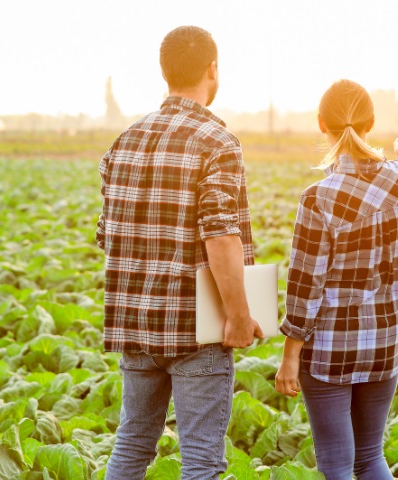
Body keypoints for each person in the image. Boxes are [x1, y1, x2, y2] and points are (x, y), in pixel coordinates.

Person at [97, 25, 263, 480]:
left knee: (132, 444)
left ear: (164, 72)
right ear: (212, 69)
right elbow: (221, 235)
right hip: (197, 328)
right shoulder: (217, 142)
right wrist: (238, 314)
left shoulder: (123, 142)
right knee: (202, 459)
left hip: (134, 324)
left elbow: (106, 234)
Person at [275, 79, 398, 479]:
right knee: (370, 459)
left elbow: (304, 285)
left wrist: (291, 355)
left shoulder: (318, 198)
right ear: (371, 123)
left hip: (328, 352)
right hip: (384, 344)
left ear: (321, 124)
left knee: (338, 466)